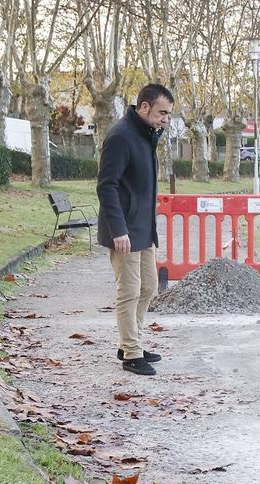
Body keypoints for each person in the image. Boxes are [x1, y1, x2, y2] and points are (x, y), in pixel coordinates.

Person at [97, 83, 174, 376]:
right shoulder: (120, 136)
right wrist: (118, 230)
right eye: (161, 112)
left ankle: (131, 342)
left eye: (168, 114)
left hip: (143, 229)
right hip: (124, 231)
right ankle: (131, 353)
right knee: (129, 290)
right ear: (144, 107)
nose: (165, 119)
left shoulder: (145, 136)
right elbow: (107, 185)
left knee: (149, 287)